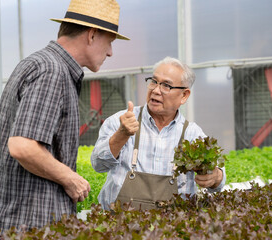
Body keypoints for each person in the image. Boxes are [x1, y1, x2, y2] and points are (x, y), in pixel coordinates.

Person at [0, 0, 129, 231]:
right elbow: (23, 146)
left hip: (20, 223)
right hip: (31, 226)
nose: (110, 52)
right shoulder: (52, 71)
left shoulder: (41, 63)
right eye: (109, 42)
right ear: (91, 35)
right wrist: (71, 179)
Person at [91, 56, 226, 210]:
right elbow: (98, 164)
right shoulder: (121, 121)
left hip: (173, 228)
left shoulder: (192, 133)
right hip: (120, 225)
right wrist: (121, 135)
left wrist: (215, 176)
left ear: (184, 95)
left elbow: (217, 182)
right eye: (153, 81)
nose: (155, 90)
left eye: (166, 85)